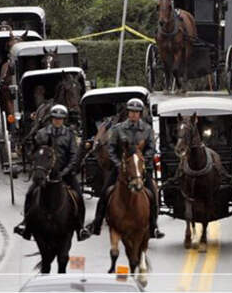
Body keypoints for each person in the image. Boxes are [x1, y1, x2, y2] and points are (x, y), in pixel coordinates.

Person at [85, 98, 164, 239]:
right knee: (105, 193)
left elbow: (151, 148)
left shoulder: (147, 129)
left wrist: (141, 162)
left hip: (141, 168)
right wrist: (119, 164)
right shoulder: (118, 129)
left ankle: (153, 227)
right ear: (128, 113)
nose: (134, 114)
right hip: (121, 168)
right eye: (131, 112)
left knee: (152, 195)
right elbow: (111, 149)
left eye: (137, 112)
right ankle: (96, 224)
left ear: (140, 114)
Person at [14, 105, 90, 241]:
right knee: (30, 193)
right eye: (55, 118)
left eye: (60, 119)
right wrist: (38, 167)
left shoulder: (69, 134)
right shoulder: (42, 133)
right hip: (44, 173)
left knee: (78, 196)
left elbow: (73, 156)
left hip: (64, 173)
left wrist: (65, 172)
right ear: (51, 119)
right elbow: (35, 152)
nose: (57, 121)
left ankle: (80, 228)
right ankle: (25, 224)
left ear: (64, 120)